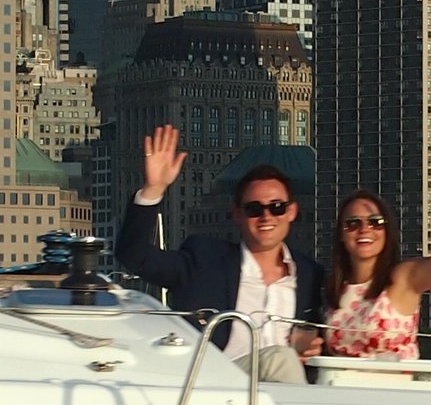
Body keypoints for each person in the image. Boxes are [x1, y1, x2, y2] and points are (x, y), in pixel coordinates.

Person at [115, 125, 325, 379]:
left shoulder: (312, 276)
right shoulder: (205, 260)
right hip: (215, 382)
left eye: (277, 207)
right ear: (237, 214)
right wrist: (153, 190)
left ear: (291, 211)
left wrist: (314, 348)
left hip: (281, 390)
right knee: (280, 358)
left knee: (287, 361)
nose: (266, 216)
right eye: (254, 209)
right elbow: (135, 256)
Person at [322, 154, 431, 362]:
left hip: (393, 389)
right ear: (341, 235)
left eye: (375, 222)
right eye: (353, 224)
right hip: (339, 389)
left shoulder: (403, 279)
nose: (364, 230)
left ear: (387, 231)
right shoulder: (332, 288)